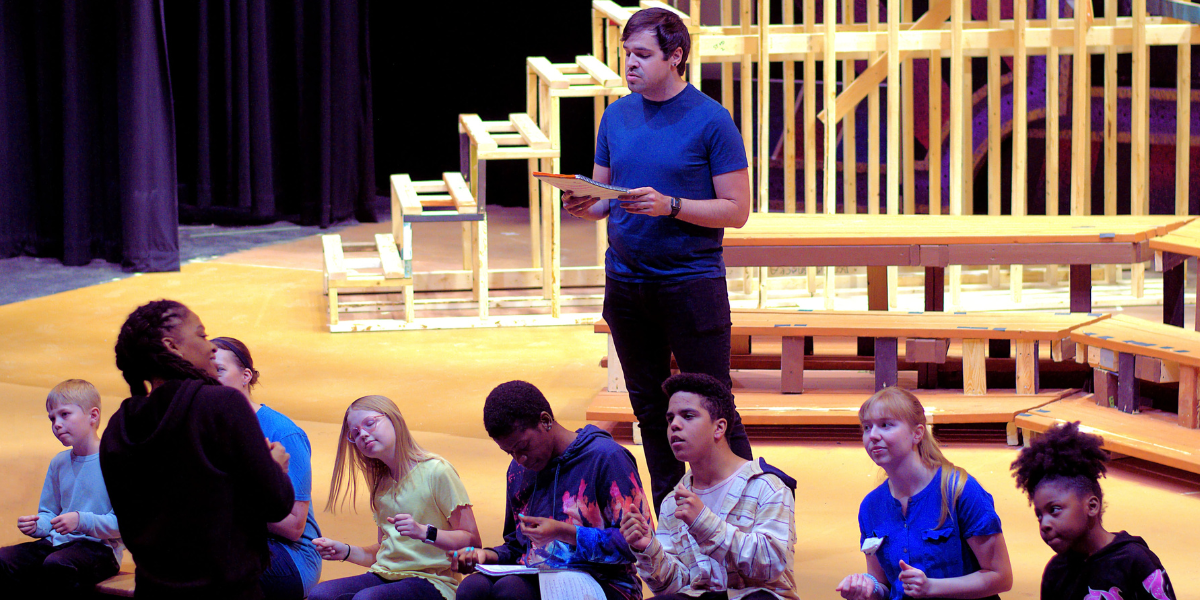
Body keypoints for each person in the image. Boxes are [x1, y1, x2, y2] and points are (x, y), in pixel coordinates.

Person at [561, 6, 753, 513]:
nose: (630, 64)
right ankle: (673, 514)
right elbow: (607, 195)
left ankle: (746, 509)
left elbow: (737, 211)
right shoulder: (616, 114)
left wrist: (672, 205)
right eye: (626, 54)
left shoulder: (711, 119)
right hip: (626, 283)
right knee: (649, 408)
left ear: (676, 57)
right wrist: (586, 202)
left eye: (642, 55)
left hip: (690, 283)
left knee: (714, 405)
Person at [101, 299, 294, 600]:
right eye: (202, 336)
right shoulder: (223, 405)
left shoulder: (119, 424)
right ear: (172, 346)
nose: (211, 348)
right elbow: (276, 504)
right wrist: (276, 469)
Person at [454, 380, 649, 600]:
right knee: (473, 588)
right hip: (539, 576)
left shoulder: (606, 457)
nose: (520, 459)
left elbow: (638, 544)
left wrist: (564, 532)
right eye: (510, 453)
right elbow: (518, 546)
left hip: (607, 583)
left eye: (523, 447)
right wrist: (488, 555)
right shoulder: (518, 471)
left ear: (545, 421)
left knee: (511, 591)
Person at [619, 373, 797, 600]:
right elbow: (675, 588)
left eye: (688, 415)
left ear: (719, 428)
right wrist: (648, 549)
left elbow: (771, 566)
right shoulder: (672, 503)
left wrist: (704, 523)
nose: (674, 425)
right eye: (670, 418)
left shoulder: (767, 487)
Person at [836, 387, 1012, 600]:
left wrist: (932, 587)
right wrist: (867, 589)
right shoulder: (871, 506)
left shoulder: (959, 490)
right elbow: (883, 584)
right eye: (866, 427)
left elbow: (1001, 577)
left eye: (885, 425)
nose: (873, 435)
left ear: (917, 433)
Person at [309, 395, 481, 600]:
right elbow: (387, 551)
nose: (362, 434)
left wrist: (425, 532)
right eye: (355, 433)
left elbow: (472, 542)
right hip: (386, 574)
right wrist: (346, 551)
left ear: (394, 419)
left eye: (370, 423)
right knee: (321, 595)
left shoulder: (437, 471)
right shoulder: (381, 482)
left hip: (434, 581)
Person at [1011, 421, 1176, 600]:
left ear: (1092, 507)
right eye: (1039, 516)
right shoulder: (1055, 572)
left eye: (1055, 509)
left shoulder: (1135, 561)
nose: (1044, 524)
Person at [213, 336, 323, 600]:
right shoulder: (207, 427)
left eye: (219, 370)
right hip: (235, 542)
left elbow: (294, 526)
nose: (210, 380)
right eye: (205, 372)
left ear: (246, 376)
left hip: (289, 555)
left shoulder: (282, 433)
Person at [0, 379, 122, 599]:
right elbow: (49, 514)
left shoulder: (115, 460)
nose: (56, 424)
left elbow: (124, 525)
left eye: (64, 414)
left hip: (101, 550)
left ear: (93, 416)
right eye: (52, 418)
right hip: (58, 544)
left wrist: (80, 520)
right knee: (4, 559)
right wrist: (38, 525)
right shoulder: (59, 462)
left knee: (58, 564)